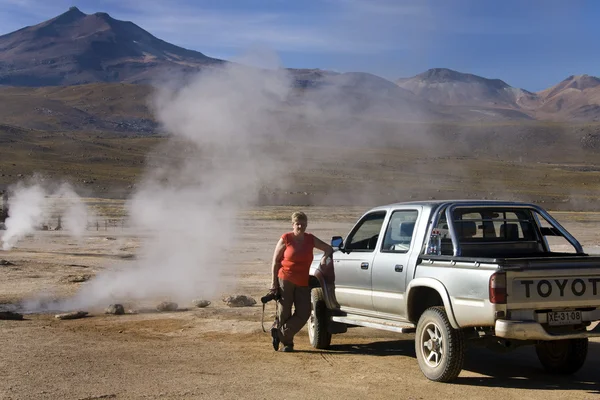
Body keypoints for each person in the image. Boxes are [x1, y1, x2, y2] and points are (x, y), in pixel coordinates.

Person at [269, 211, 333, 352]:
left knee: (304, 313)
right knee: (284, 311)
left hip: (303, 281)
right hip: (285, 279)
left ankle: (280, 333)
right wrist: (274, 283)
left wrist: (324, 258)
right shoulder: (286, 238)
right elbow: (275, 262)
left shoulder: (310, 239)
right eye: (298, 224)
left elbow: (328, 248)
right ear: (293, 224)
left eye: (303, 224)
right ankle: (287, 344)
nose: (300, 226)